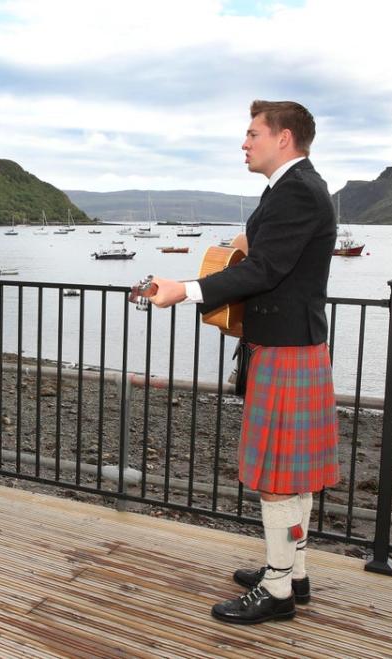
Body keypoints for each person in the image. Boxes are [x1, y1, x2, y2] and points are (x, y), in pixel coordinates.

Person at [142, 100, 339, 624]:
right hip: (290, 344)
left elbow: (267, 269)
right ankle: (291, 572)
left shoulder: (297, 190)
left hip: (286, 349)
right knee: (292, 472)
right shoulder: (289, 189)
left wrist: (184, 289)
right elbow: (261, 247)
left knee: (278, 472)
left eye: (253, 133)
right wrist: (228, 249)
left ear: (284, 138)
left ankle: (277, 591)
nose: (244, 143)